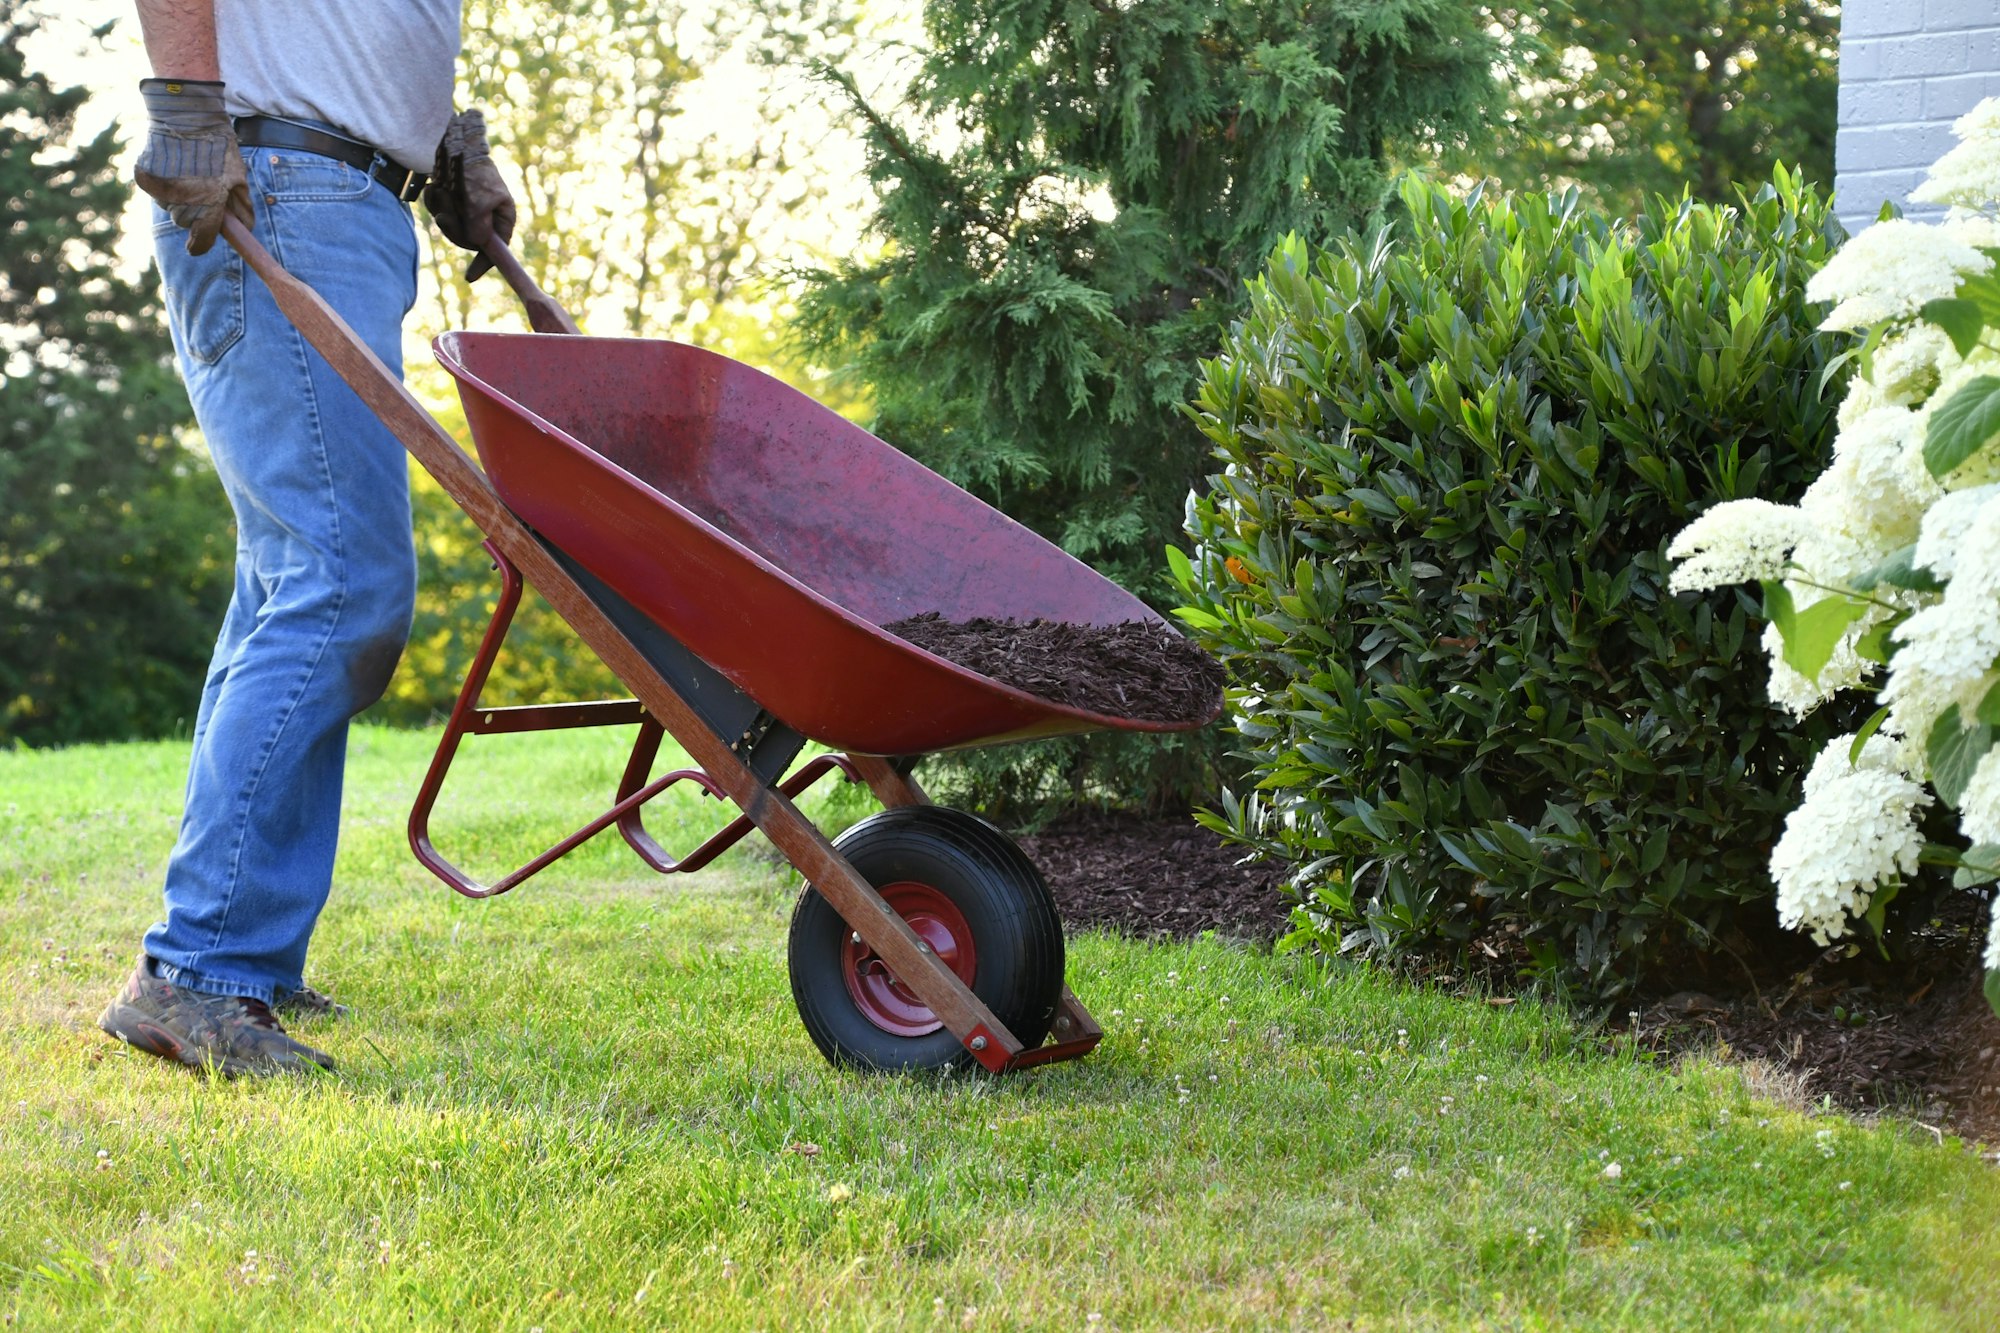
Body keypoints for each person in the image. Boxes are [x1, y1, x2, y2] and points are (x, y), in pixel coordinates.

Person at [96, 0, 515, 1076]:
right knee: (340, 589)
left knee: (292, 583)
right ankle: (200, 972)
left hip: (348, 197)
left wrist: (441, 137)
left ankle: (241, 958)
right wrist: (185, 102)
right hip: (275, 184)